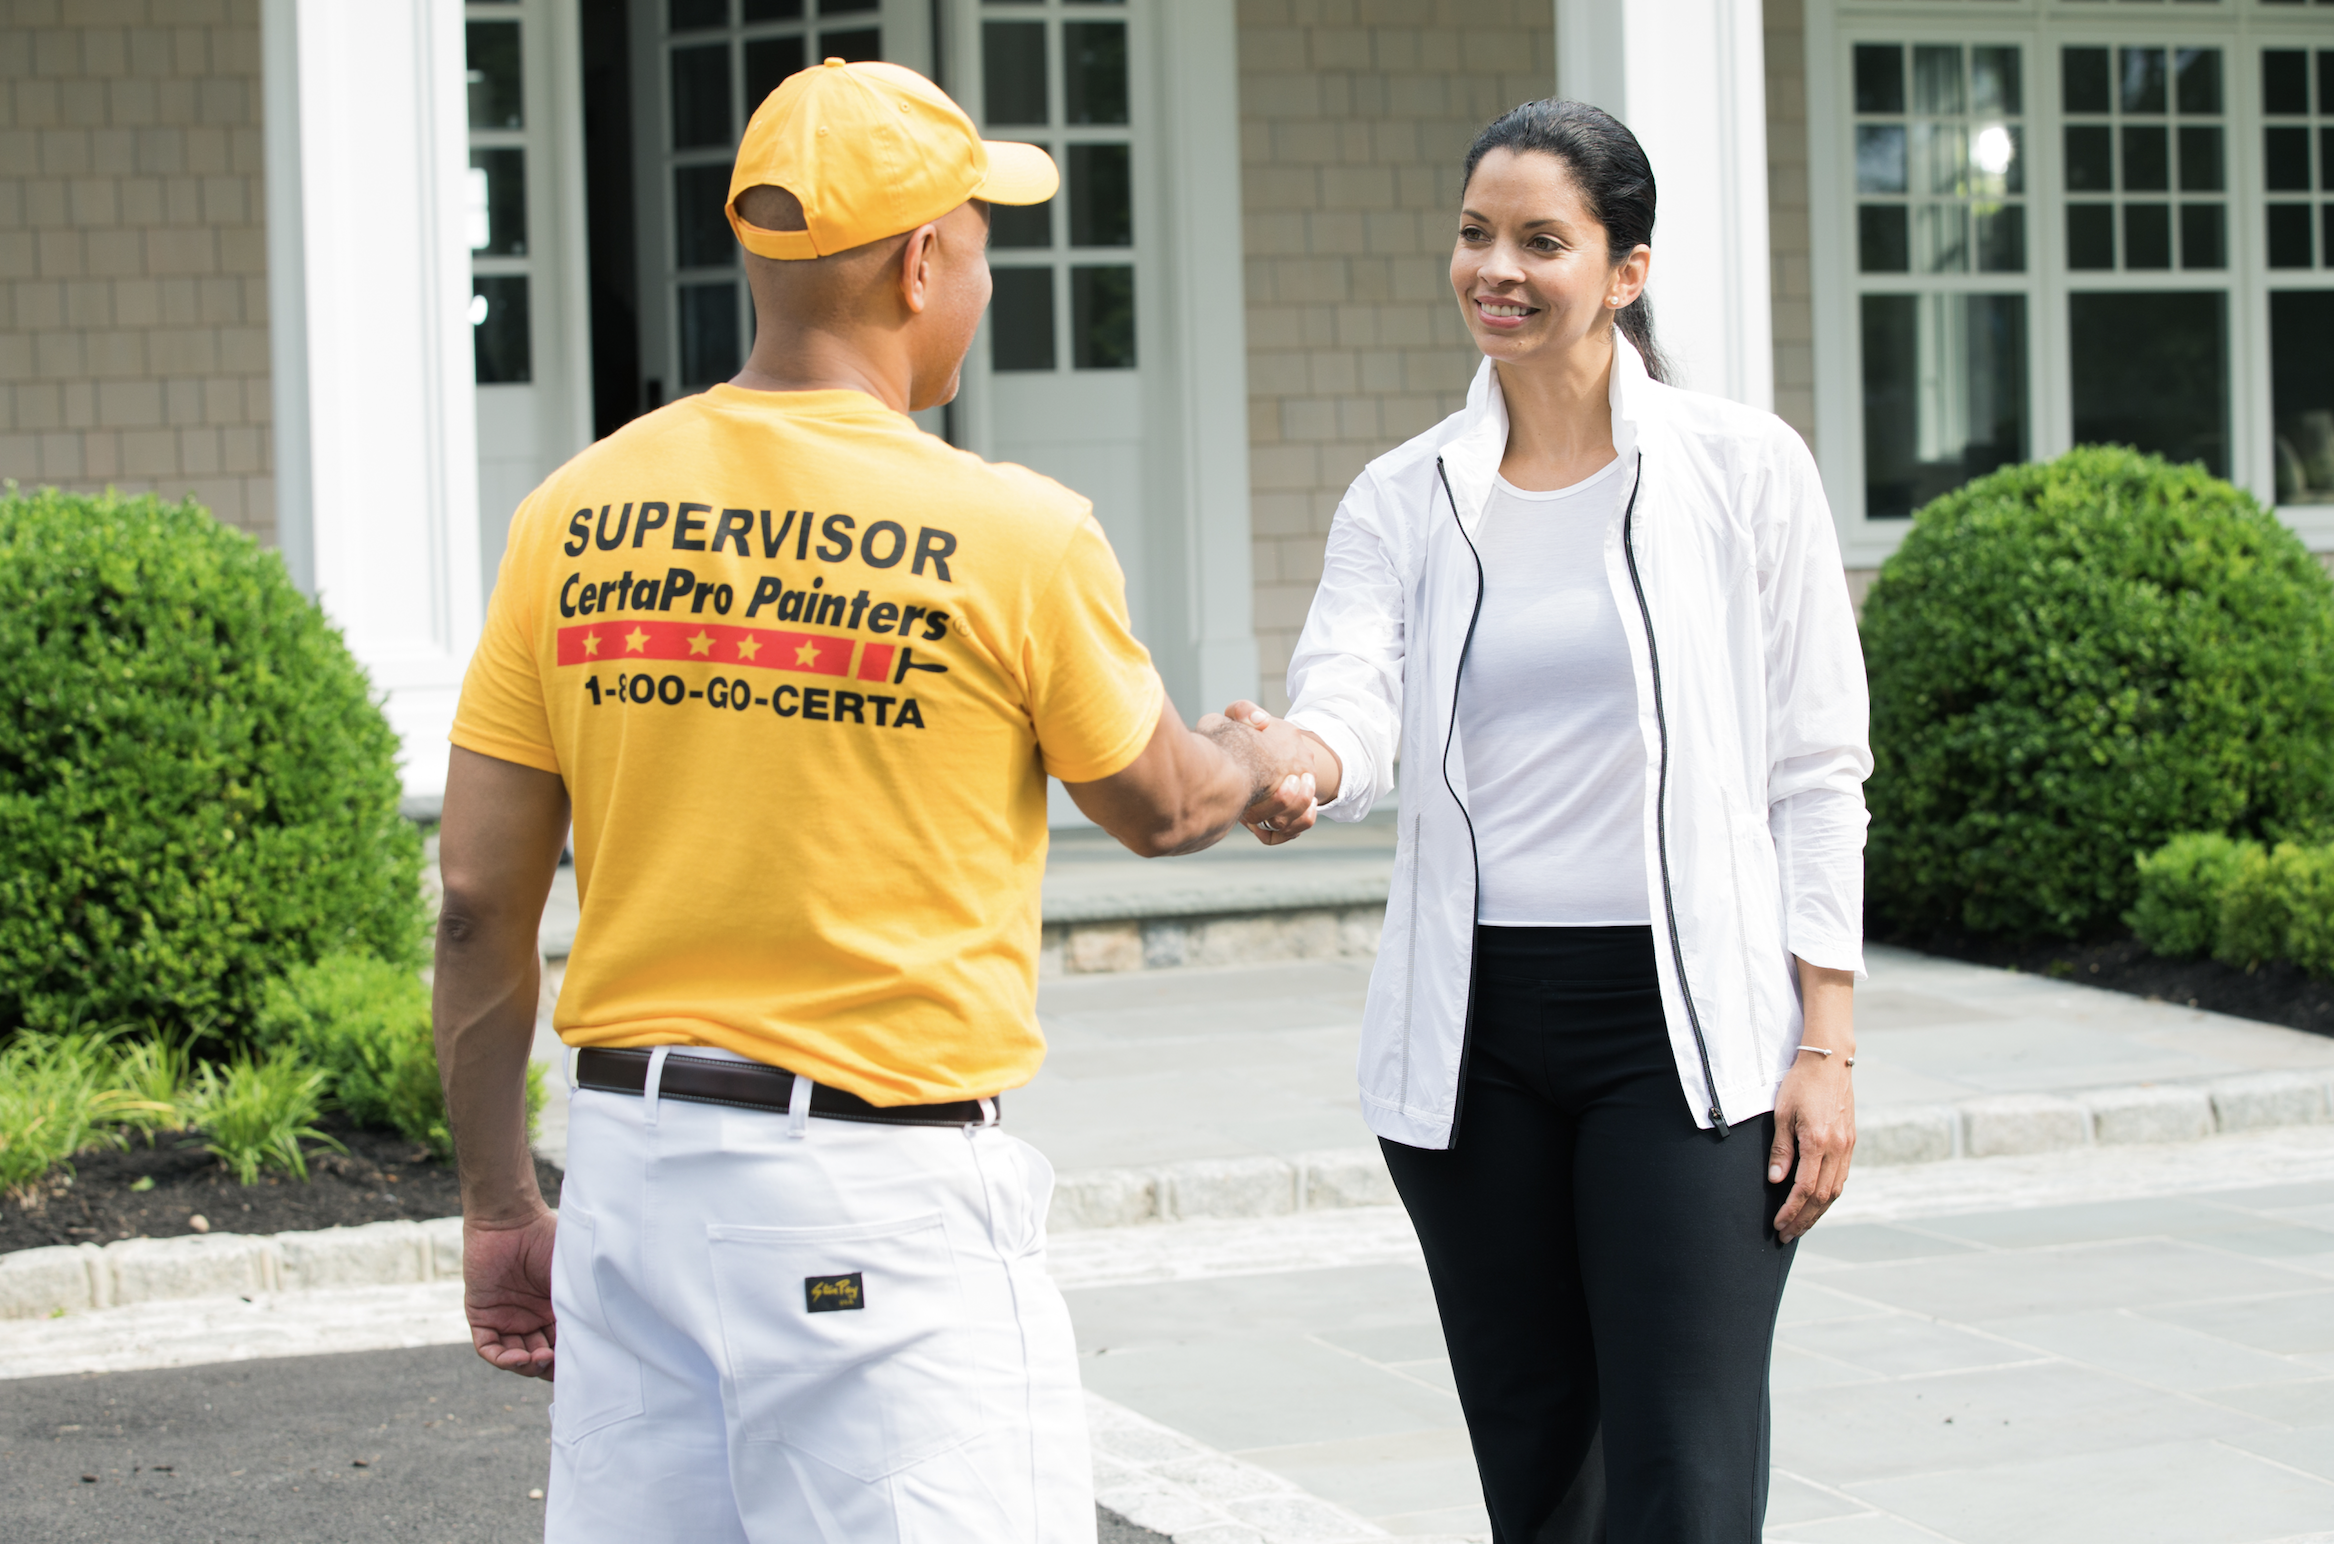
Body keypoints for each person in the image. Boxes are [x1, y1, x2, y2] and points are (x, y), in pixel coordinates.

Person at [431, 59, 1314, 1544]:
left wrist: (499, 1202)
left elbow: (473, 905)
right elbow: (1160, 806)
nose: (983, 274)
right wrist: (1262, 760)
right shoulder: (1012, 531)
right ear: (921, 265)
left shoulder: (571, 514)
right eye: (979, 242)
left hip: (633, 1192)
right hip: (873, 1210)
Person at [1226, 99, 1872, 1542]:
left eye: (1539, 241)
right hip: (1473, 1037)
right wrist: (1299, 767)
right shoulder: (1403, 496)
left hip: (1686, 1029)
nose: (1493, 269)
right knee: (1540, 1470)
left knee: (1681, 1472)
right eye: (1473, 235)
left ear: (1624, 271)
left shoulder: (1740, 469)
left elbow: (1817, 770)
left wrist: (1821, 1040)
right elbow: (1350, 698)